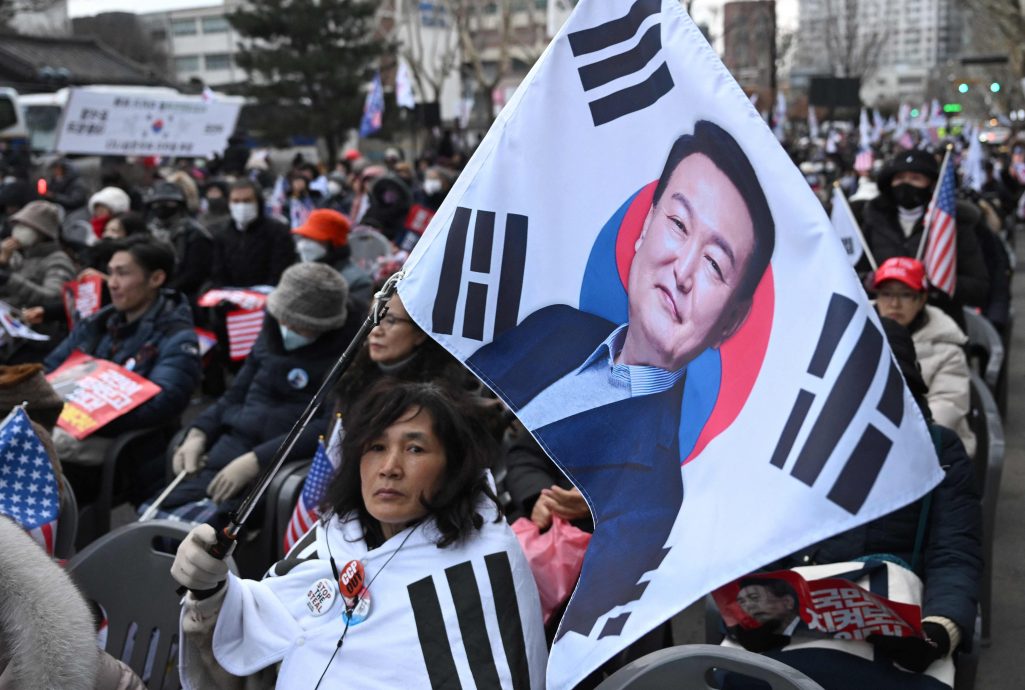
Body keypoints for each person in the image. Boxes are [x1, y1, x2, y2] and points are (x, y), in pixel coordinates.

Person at [468, 119, 775, 638]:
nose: (682, 270)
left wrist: (588, 512)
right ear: (644, 228)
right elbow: (523, 448)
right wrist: (538, 494)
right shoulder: (555, 328)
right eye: (677, 224)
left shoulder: (673, 474)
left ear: (733, 319)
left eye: (714, 264)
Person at [172, 381, 547, 689]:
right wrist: (211, 592)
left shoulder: (481, 567)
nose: (390, 468)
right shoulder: (336, 532)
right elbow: (258, 652)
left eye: (415, 448)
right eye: (376, 447)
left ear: (454, 466)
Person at [723, 319, 982, 690]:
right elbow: (764, 538)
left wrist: (939, 631)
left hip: (900, 639)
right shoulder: (797, 444)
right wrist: (753, 607)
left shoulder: (939, 451)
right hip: (793, 629)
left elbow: (955, 555)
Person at [155, 263, 361, 517]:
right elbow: (234, 395)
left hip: (278, 469)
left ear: (325, 326)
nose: (285, 327)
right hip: (231, 447)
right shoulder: (270, 334)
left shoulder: (347, 358)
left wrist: (257, 460)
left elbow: (327, 427)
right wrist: (198, 432)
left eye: (296, 325)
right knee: (157, 513)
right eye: (282, 318)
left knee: (206, 529)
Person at [43, 237, 201, 500]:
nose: (112, 283)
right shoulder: (98, 323)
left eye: (123, 273)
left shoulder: (177, 337)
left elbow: (163, 402)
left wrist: (94, 418)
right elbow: (50, 368)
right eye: (110, 272)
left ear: (156, 279)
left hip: (125, 452)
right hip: (69, 429)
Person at [852, 150, 989, 313]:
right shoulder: (871, 220)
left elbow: (978, 287)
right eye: (900, 178)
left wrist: (937, 282)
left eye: (915, 178)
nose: (906, 184)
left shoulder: (954, 224)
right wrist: (871, 280)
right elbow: (852, 273)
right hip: (883, 318)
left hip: (938, 319)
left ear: (931, 184)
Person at [872, 257, 975, 456]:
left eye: (905, 295)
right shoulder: (858, 333)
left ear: (921, 299)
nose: (894, 304)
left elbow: (946, 410)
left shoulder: (948, 348)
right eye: (886, 294)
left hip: (936, 451)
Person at [333, 293, 464, 416]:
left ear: (420, 333)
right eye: (372, 318)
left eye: (390, 320)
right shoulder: (350, 374)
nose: (375, 330)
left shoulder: (435, 398)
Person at [209, 179, 295, 289]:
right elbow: (217, 272)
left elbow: (280, 271)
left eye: (247, 201)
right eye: (236, 201)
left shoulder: (278, 231)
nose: (241, 206)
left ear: (258, 202)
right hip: (230, 294)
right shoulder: (221, 233)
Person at [0, 200, 75, 311]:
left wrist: (9, 280)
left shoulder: (58, 261)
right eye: (18, 224)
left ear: (42, 231)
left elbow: (53, 299)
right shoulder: (20, 255)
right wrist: (3, 263)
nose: (18, 229)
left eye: (25, 226)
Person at [292, 208, 373, 305]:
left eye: (313, 239)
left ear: (333, 244)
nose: (304, 245)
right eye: (304, 237)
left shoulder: (358, 282)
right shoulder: (299, 271)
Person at [735, 577, 801, 635]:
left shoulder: (805, 633)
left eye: (754, 597)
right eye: (742, 602)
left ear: (787, 602)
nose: (749, 606)